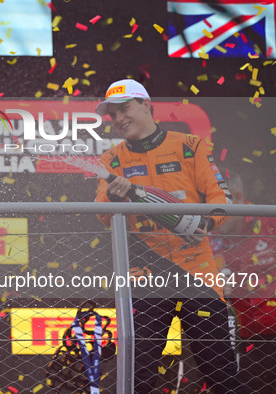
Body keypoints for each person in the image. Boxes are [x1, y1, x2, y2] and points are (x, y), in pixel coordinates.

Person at [94, 79, 247, 393]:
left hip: (198, 273)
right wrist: (115, 196)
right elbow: (103, 215)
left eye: (125, 109)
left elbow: (222, 199)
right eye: (113, 114)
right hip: (144, 275)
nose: (119, 119)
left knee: (221, 374)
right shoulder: (112, 160)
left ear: (147, 105)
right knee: (137, 377)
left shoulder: (190, 145)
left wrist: (208, 223)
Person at [211, 171, 276, 394]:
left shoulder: (270, 221)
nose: (213, 216)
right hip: (249, 339)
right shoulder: (207, 236)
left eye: (216, 206)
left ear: (236, 197)